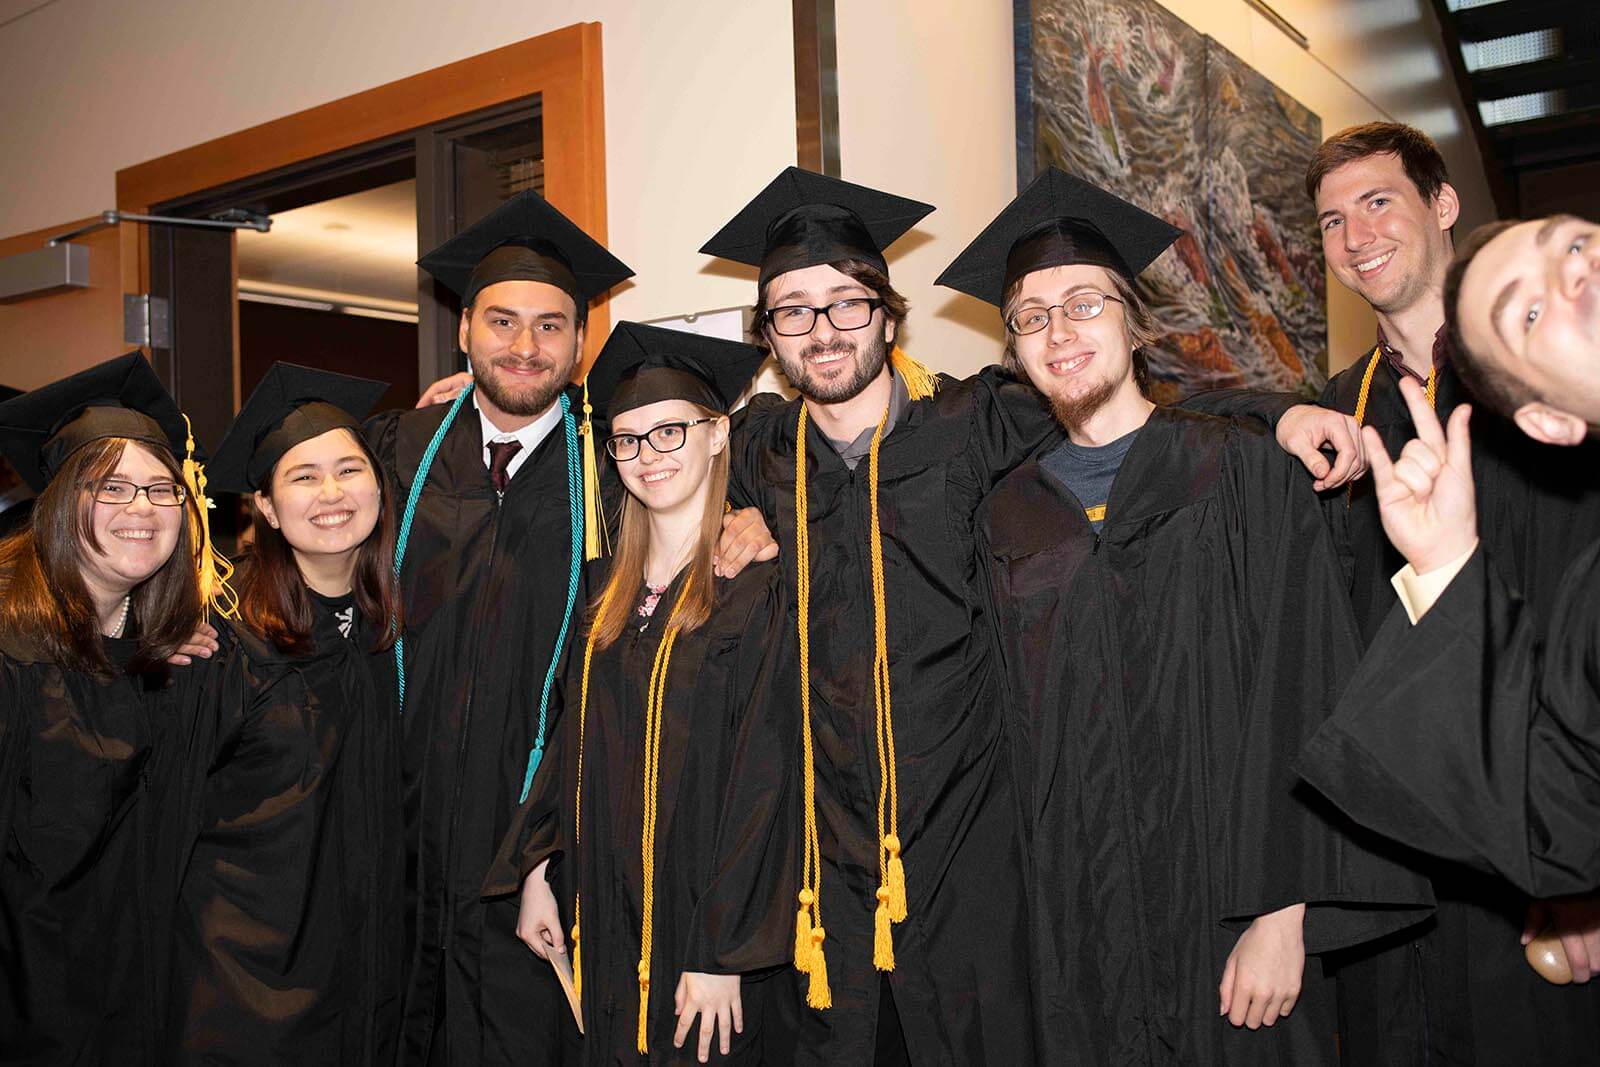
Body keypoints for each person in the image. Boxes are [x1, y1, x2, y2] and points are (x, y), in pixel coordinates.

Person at [944, 167, 1433, 1064]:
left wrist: (1284, 911)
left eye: (1084, 303)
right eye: (1032, 315)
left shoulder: (1240, 477)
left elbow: (1307, 691)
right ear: (1013, 349)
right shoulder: (1005, 518)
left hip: (1231, 923)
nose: (1060, 332)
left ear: (1134, 321)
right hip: (1079, 944)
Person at [1296, 126, 1600, 1064]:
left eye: (1379, 202)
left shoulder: (1550, 410)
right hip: (1401, 852)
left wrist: (1579, 876)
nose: (1354, 237)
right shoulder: (1338, 420)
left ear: (1443, 204)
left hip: (1540, 834)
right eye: (1332, 221)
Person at [364, 189, 633, 1066]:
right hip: (394, 830)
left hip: (536, 848)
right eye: (504, 322)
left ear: (582, 343)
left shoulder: (620, 469)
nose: (526, 346)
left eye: (552, 325)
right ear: (464, 331)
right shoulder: (396, 451)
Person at [485, 322, 798, 1065]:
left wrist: (723, 948)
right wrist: (538, 870)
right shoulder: (601, 594)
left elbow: (767, 779)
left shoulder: (758, 591)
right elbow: (568, 742)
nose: (647, 456)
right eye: (627, 440)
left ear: (718, 434)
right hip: (607, 916)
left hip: (702, 930)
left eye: (669, 432)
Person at [165, 362, 404, 1065]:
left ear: (379, 489)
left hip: (362, 986)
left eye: (349, 470)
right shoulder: (217, 636)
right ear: (266, 506)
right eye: (302, 476)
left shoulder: (388, 629)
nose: (331, 493)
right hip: (242, 993)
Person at [0, 354, 209, 1064]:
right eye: (112, 487)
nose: (143, 509)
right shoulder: (11, 660)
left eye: (159, 487)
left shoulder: (167, 664)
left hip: (143, 1017)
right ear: (61, 502)